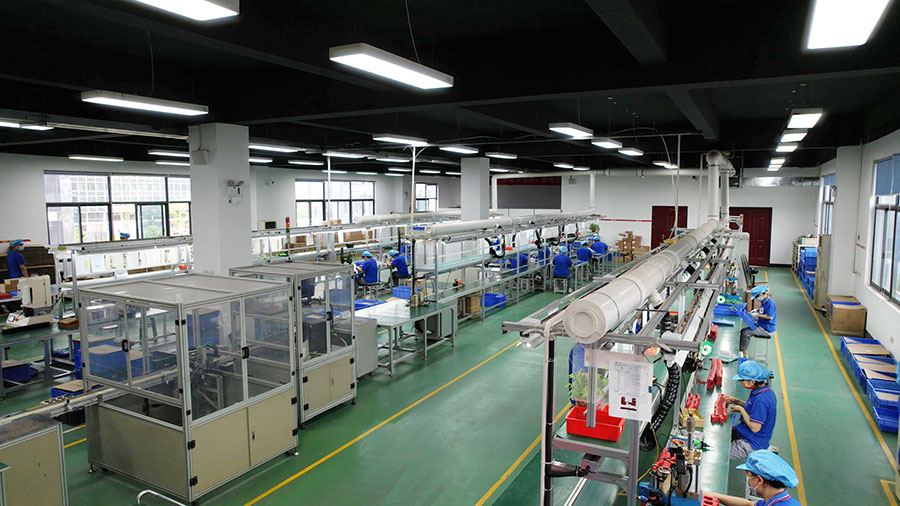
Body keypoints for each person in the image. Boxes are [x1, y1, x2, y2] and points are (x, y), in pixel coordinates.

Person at [703, 450, 801, 506]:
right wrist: (716, 495)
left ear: (759, 480)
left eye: (748, 476)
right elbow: (748, 504)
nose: (748, 480)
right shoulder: (778, 500)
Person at [725, 360, 777, 460]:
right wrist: (736, 401)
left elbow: (755, 428)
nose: (742, 383)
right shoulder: (763, 391)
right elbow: (753, 407)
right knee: (724, 435)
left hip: (751, 443)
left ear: (752, 381)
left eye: (743, 381)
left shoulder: (762, 400)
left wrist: (741, 410)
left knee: (721, 452)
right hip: (745, 431)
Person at [740, 285, 776, 358]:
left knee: (745, 332)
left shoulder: (770, 303)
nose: (756, 299)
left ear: (761, 294)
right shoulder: (764, 301)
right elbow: (763, 311)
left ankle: (743, 352)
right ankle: (742, 349)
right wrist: (757, 310)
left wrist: (757, 315)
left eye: (756, 297)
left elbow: (770, 316)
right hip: (762, 325)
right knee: (744, 330)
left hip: (766, 329)